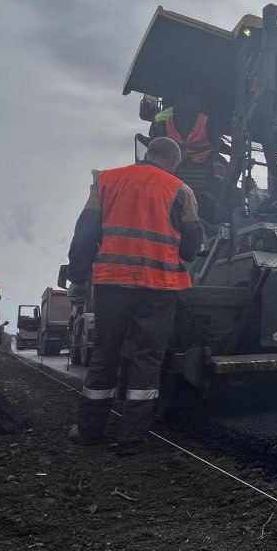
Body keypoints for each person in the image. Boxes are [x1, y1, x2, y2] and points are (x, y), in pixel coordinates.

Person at [65, 137, 201, 454]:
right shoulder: (181, 190)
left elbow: (85, 232)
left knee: (105, 354)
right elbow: (192, 244)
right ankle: (131, 437)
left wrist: (76, 279)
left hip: (113, 284)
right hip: (159, 287)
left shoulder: (105, 181)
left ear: (147, 155)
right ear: (175, 161)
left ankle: (88, 431)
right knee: (147, 359)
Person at [149, 93, 226, 222]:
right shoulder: (208, 121)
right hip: (204, 176)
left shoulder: (165, 122)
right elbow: (216, 146)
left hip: (176, 169)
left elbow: (158, 142)